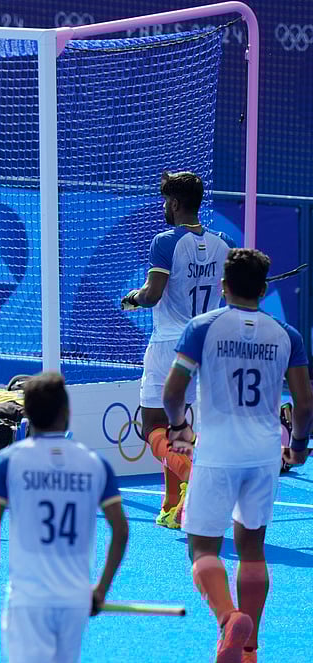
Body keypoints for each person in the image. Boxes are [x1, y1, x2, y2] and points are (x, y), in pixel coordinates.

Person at [163, 248, 311, 663]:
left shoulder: (202, 328)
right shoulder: (288, 335)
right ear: (264, 290)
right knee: (253, 548)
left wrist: (180, 429)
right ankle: (249, 650)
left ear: (223, 286)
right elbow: (304, 403)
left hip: (218, 453)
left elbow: (173, 393)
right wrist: (298, 447)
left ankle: (228, 617)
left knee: (203, 548)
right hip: (264, 454)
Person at [0, 372, 128, 663]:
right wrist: (101, 589)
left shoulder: (6, 462)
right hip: (74, 599)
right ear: (67, 413)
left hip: (29, 599)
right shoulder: (95, 464)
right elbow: (121, 531)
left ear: (27, 414)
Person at [120, 171, 234, 528]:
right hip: (204, 345)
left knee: (150, 426)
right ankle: (173, 506)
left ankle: (193, 474)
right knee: (176, 426)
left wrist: (135, 298)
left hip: (170, 344)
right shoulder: (224, 242)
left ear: (174, 203)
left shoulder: (164, 241)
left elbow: (153, 295)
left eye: (165, 202)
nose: (164, 208)